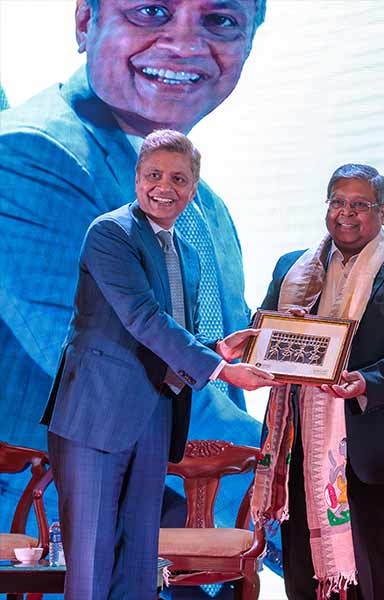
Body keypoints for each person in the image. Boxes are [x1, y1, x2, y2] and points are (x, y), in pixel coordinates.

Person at [0, 0, 267, 549]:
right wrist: (336, 508)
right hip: (49, 539)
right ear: (84, 23)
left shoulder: (202, 204)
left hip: (168, 531)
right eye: (150, 11)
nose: (186, 44)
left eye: (220, 21)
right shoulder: (30, 157)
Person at [41, 130, 277, 598]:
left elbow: (167, 332)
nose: (164, 187)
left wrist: (218, 348)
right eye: (153, 175)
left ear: (193, 187)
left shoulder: (185, 253)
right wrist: (218, 369)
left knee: (139, 565)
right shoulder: (110, 233)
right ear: (136, 178)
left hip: (155, 415)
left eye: (178, 178)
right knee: (90, 564)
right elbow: (142, 317)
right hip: (96, 417)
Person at [253, 164, 384, 599]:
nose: (346, 213)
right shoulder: (291, 268)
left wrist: (367, 381)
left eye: (360, 204)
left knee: (372, 579)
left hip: (373, 447)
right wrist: (281, 328)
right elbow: (259, 336)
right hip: (300, 445)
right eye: (337, 202)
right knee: (301, 574)